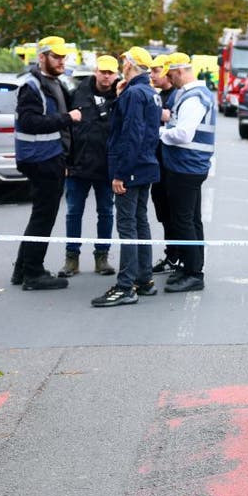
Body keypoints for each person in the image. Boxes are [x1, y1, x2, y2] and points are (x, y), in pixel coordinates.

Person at [92, 47, 162, 308]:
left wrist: (121, 173)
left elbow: (131, 135)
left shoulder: (134, 93)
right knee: (140, 223)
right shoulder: (149, 92)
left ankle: (126, 286)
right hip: (145, 166)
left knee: (127, 226)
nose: (122, 66)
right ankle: (143, 280)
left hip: (131, 168)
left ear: (132, 65)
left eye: (124, 62)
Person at [11, 36, 82, 290]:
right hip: (40, 157)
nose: (61, 61)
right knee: (44, 216)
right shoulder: (32, 86)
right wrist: (67, 118)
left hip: (49, 156)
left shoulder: (53, 82)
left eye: (63, 56)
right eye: (56, 56)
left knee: (39, 215)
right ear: (41, 57)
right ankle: (33, 273)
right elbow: (30, 122)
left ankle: (22, 270)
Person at [158, 52, 215, 293]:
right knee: (191, 219)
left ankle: (193, 273)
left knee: (183, 220)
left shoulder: (194, 98)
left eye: (171, 75)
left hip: (186, 166)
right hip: (190, 166)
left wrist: (158, 133)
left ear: (180, 71)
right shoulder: (194, 94)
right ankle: (191, 266)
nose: (170, 80)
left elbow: (183, 134)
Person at [59, 54, 120, 278]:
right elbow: (64, 127)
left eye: (110, 72)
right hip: (78, 165)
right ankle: (71, 259)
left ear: (116, 74)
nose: (106, 76)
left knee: (105, 213)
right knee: (74, 213)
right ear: (96, 71)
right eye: (103, 71)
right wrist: (65, 161)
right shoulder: (77, 93)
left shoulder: (120, 96)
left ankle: (102, 257)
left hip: (106, 167)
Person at [149, 55, 185, 280]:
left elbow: (174, 121)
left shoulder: (176, 95)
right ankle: (171, 254)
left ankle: (180, 256)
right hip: (158, 164)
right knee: (163, 213)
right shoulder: (158, 94)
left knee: (176, 214)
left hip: (172, 165)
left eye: (156, 71)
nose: (152, 75)